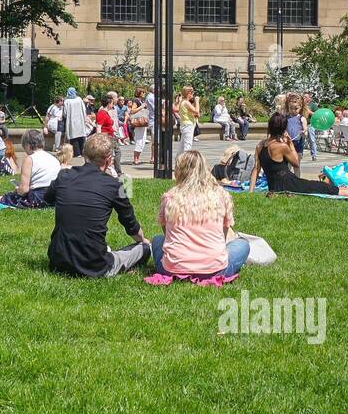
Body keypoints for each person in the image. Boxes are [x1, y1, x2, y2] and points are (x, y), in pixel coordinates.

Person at [44, 133, 150, 278]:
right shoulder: (115, 185)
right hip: (95, 266)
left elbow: (48, 198)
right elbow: (130, 225)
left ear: (83, 155)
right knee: (144, 248)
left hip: (58, 261)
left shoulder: (64, 176)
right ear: (109, 160)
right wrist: (143, 241)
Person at [152, 150, 250, 281]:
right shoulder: (221, 196)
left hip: (172, 269)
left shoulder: (170, 198)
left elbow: (167, 234)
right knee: (242, 245)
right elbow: (223, 235)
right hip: (215, 269)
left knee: (158, 240)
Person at [250, 112, 348, 197]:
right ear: (283, 128)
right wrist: (289, 144)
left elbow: (255, 170)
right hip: (289, 184)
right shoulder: (281, 146)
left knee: (322, 186)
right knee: (328, 189)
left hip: (275, 186)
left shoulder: (261, 145)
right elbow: (296, 163)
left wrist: (250, 192)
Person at [1, 129, 61, 208]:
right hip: (55, 197)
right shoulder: (54, 159)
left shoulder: (30, 159)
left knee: (8, 198)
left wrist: (17, 190)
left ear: (28, 146)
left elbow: (24, 190)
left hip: (39, 198)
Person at [61, 87, 89, 158]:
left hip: (71, 121)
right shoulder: (79, 99)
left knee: (73, 137)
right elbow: (84, 109)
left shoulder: (67, 101)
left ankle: (77, 153)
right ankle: (82, 151)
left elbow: (65, 113)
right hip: (80, 120)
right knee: (81, 136)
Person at [127, 95, 150, 167]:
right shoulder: (136, 101)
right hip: (138, 123)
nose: (144, 94)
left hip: (143, 124)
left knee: (142, 141)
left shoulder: (141, 101)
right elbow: (132, 110)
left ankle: (137, 158)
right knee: (139, 141)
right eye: (143, 92)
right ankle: (135, 159)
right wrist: (141, 107)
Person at [176, 86, 200, 152]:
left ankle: (180, 159)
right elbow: (197, 111)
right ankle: (186, 161)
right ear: (189, 93)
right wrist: (197, 101)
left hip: (185, 125)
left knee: (182, 145)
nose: (193, 95)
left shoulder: (183, 102)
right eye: (192, 93)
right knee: (187, 145)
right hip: (188, 125)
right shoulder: (186, 102)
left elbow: (195, 113)